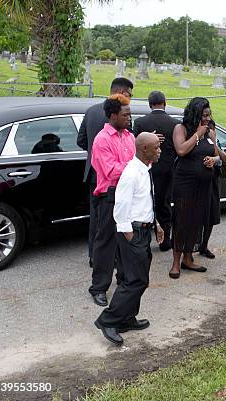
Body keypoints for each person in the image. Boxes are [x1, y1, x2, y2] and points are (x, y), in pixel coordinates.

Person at [94, 132, 164, 346]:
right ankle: (109, 320)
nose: (160, 151)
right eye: (156, 147)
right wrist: (130, 235)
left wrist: (156, 225)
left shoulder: (146, 170)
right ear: (144, 150)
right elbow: (121, 208)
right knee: (136, 280)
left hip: (143, 229)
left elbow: (145, 203)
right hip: (132, 233)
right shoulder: (131, 173)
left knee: (131, 278)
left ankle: (127, 318)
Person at [77, 77, 133, 267]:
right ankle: (112, 257)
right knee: (114, 218)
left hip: (93, 173)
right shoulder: (121, 116)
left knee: (96, 218)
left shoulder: (91, 110)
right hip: (113, 176)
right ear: (123, 93)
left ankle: (94, 255)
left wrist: (95, 156)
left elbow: (81, 140)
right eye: (129, 95)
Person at [88, 94, 136, 307]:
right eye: (125, 114)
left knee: (127, 241)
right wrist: (135, 169)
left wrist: (135, 168)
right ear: (113, 115)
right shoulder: (102, 139)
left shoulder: (129, 137)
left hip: (129, 196)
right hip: (110, 196)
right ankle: (99, 287)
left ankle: (124, 281)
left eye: (130, 114)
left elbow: (137, 163)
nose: (129, 118)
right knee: (106, 243)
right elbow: (111, 171)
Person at [169, 97, 219, 279]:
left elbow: (221, 157)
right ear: (195, 114)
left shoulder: (209, 133)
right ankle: (176, 262)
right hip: (185, 184)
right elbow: (181, 150)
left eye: (209, 115)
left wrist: (215, 158)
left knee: (196, 222)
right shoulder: (180, 129)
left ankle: (188, 258)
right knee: (182, 221)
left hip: (204, 186)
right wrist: (198, 133)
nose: (207, 118)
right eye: (204, 115)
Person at [133, 90, 178, 251]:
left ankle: (143, 239)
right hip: (167, 170)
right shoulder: (174, 124)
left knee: (145, 202)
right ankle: (166, 241)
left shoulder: (140, 123)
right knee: (164, 203)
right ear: (164, 103)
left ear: (150, 104)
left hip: (146, 169)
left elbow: (135, 146)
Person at [195, 145, 226, 259]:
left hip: (212, 181)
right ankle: (194, 243)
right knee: (197, 213)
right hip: (197, 181)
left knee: (211, 213)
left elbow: (225, 159)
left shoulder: (212, 143)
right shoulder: (195, 138)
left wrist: (214, 145)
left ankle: (204, 246)